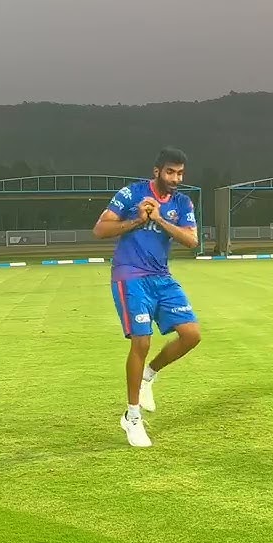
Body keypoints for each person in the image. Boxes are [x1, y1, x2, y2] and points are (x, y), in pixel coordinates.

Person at [93, 147, 201, 447]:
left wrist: (162, 221)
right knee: (141, 340)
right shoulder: (131, 194)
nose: (176, 178)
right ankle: (132, 417)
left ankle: (148, 375)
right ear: (157, 171)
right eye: (170, 172)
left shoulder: (182, 202)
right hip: (130, 275)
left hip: (161, 277)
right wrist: (138, 220)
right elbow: (100, 229)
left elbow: (192, 240)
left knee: (191, 335)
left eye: (180, 173)